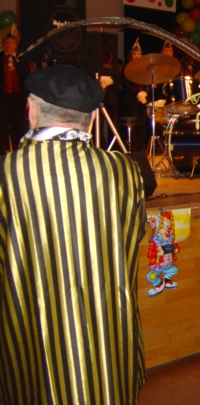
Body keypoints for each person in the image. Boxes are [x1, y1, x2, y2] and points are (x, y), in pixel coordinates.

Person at [0, 64, 147, 404]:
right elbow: (135, 233)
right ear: (92, 118)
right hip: (108, 334)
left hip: (33, 336)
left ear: (31, 109)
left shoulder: (7, 173)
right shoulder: (126, 170)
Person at [0, 27, 29, 154]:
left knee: (17, 126)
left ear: (15, 45)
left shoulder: (21, 59)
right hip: (3, 97)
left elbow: (25, 78)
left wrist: (26, 97)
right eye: (6, 43)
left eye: (11, 43)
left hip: (17, 98)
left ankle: (18, 153)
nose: (8, 45)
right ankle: (2, 154)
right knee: (2, 126)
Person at [119, 38, 148, 152]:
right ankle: (133, 149)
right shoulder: (127, 68)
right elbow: (126, 85)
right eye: (135, 54)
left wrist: (145, 93)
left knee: (142, 126)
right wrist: (137, 93)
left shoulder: (144, 68)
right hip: (130, 101)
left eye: (139, 54)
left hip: (142, 101)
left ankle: (141, 149)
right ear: (131, 55)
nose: (137, 56)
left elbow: (147, 82)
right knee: (133, 127)